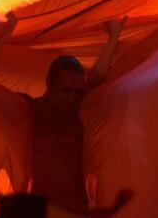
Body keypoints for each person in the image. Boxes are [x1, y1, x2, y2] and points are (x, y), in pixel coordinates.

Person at [27, 16, 127, 211]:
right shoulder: (30, 109)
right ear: (49, 83)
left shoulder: (78, 109)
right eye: (65, 91)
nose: (71, 98)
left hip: (76, 208)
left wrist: (114, 36)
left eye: (76, 92)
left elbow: (97, 76)